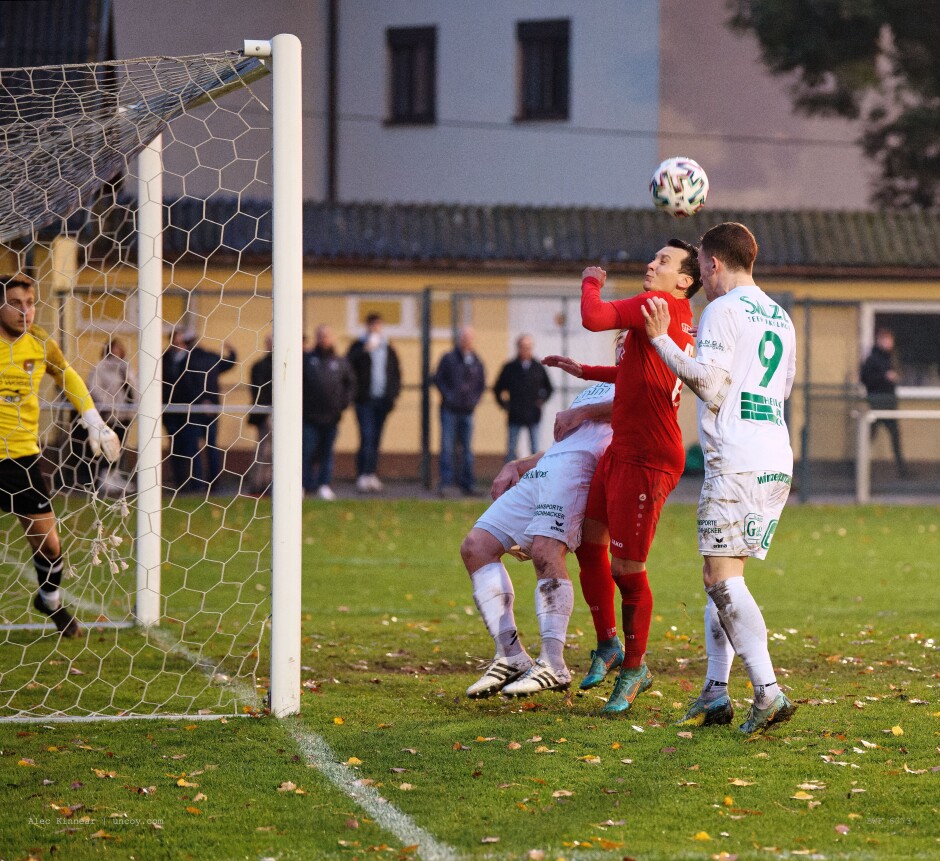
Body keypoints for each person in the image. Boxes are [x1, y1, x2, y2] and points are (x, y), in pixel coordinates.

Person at [641, 221, 798, 735]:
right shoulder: (780, 316)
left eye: (702, 268)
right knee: (726, 578)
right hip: (774, 453)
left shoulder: (722, 310)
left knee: (719, 579)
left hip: (736, 458)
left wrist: (662, 340)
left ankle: (768, 691)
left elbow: (708, 384)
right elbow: (782, 387)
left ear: (711, 264)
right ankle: (714, 691)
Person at [542, 239, 699, 715]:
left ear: (685, 281)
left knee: (626, 570)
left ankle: (635, 667)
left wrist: (592, 280)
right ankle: (608, 644)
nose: (652, 264)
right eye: (655, 258)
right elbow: (635, 372)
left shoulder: (658, 305)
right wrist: (585, 369)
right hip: (622, 449)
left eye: (664, 261)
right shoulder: (669, 316)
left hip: (648, 459)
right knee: (590, 544)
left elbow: (593, 317)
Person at [460, 332, 622, 698]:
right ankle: (511, 654)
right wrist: (519, 463)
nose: (624, 341)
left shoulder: (647, 376)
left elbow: (641, 406)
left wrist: (580, 411)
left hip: (579, 471)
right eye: (620, 337)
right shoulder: (597, 386)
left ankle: (553, 664)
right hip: (548, 467)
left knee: (547, 552)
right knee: (476, 546)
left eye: (632, 335)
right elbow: (567, 441)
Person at [0, 275, 120, 638]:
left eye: (31, 302)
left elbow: (66, 374)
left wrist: (94, 421)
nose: (26, 311)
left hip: (20, 458)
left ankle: (49, 600)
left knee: (50, 545)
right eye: (17, 303)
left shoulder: (38, 343)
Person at [176, 333, 237, 493]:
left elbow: (185, 385)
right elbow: (230, 363)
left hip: (195, 409)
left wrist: (200, 401)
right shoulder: (212, 357)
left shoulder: (185, 361)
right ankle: (215, 483)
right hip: (212, 410)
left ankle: (198, 483)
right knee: (212, 446)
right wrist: (232, 351)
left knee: (194, 448)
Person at [347, 313, 401, 493]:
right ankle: (362, 474)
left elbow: (395, 373)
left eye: (379, 325)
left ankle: (372, 474)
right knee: (366, 436)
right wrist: (364, 350)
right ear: (367, 326)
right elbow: (349, 366)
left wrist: (392, 396)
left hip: (382, 401)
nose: (376, 329)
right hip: (364, 401)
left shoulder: (388, 348)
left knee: (376, 438)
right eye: (373, 325)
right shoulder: (359, 346)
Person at [303, 324, 355, 500]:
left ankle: (324, 485)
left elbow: (350, 385)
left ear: (331, 338)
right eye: (320, 335)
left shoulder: (340, 362)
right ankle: (304, 485)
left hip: (331, 418)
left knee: (327, 452)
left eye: (326, 335)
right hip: (309, 417)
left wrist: (342, 405)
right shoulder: (306, 360)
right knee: (306, 451)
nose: (324, 339)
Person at [433, 325, 486, 496]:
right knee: (447, 447)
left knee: (467, 449)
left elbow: (480, 385)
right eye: (464, 338)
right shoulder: (448, 358)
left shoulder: (476, 361)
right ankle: (446, 483)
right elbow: (438, 379)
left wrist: (474, 400)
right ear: (459, 339)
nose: (466, 341)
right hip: (449, 410)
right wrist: (449, 396)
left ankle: (467, 483)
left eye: (469, 338)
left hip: (467, 410)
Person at [86, 337, 137, 493]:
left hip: (126, 413)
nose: (117, 351)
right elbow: (94, 387)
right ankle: (104, 476)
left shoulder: (126, 368)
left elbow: (134, 386)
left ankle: (115, 475)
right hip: (110, 413)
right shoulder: (101, 368)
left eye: (119, 348)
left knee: (120, 444)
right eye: (114, 348)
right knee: (109, 443)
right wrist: (107, 403)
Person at [493, 334, 554, 461]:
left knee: (534, 449)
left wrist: (541, 401)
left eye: (528, 347)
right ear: (518, 348)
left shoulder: (538, 367)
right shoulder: (510, 367)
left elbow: (549, 388)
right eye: (523, 347)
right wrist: (505, 405)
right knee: (511, 449)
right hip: (515, 414)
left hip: (533, 414)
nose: (525, 350)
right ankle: (509, 479)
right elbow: (498, 388)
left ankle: (534, 477)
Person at [860, 327, 910, 477]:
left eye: (890, 340)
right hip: (876, 404)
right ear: (879, 341)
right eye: (885, 340)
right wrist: (884, 377)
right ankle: (862, 469)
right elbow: (865, 379)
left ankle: (902, 470)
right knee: (868, 437)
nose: (888, 343)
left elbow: (899, 374)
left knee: (895, 437)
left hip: (889, 405)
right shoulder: (872, 359)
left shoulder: (892, 358)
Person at [246, 334, 273, 496]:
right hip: (266, 414)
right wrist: (266, 412)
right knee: (264, 451)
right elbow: (258, 391)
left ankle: (269, 484)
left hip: (274, 414)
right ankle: (257, 485)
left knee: (272, 452)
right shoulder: (260, 366)